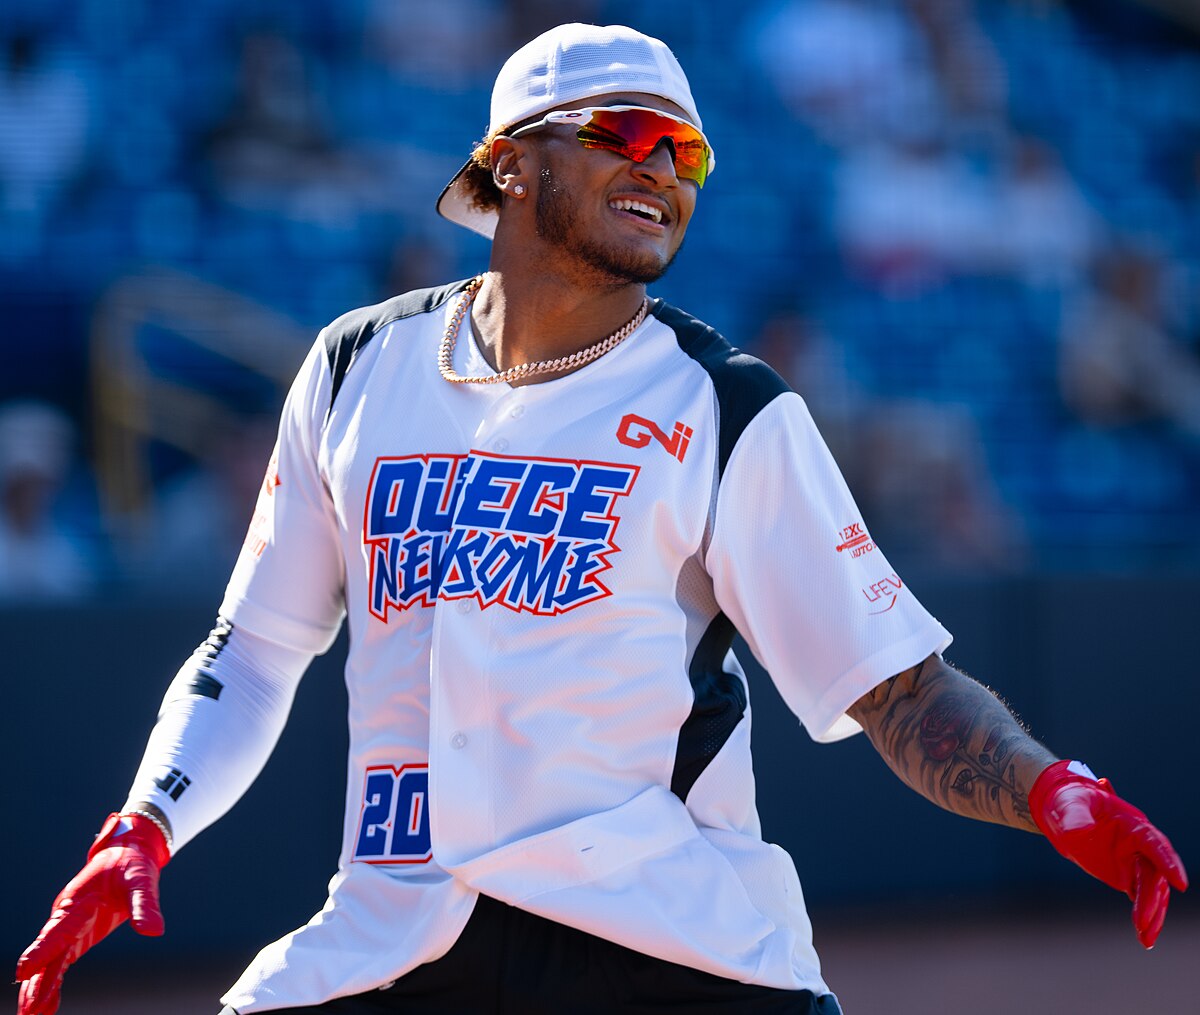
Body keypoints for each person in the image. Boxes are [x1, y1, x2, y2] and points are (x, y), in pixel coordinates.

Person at [16, 24, 1187, 1015]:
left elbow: (897, 685)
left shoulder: (725, 406)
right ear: (512, 164)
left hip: (662, 936)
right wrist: (147, 822)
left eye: (688, 150)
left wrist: (1052, 790)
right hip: (396, 922)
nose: (666, 169)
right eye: (627, 134)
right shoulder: (356, 364)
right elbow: (258, 648)